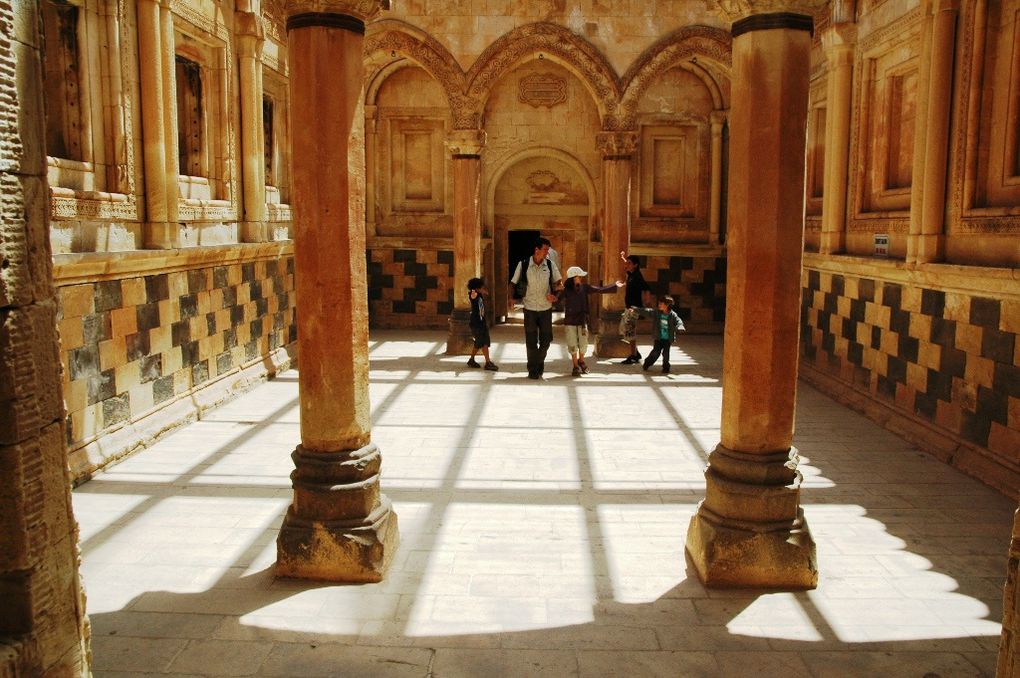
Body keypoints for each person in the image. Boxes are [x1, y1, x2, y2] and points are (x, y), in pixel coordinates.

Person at [508, 237, 561, 379]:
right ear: (536, 250)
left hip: (546, 309)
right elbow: (513, 283)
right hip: (530, 308)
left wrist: (555, 295)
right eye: (545, 250)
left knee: (546, 340)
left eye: (548, 250)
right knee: (531, 341)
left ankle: (538, 362)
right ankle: (533, 369)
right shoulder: (523, 264)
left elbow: (559, 283)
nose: (547, 253)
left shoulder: (550, 265)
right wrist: (511, 298)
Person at [559, 266, 623, 376]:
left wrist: (614, 285)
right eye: (579, 276)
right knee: (572, 343)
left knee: (583, 343)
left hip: (582, 321)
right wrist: (552, 296)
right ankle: (575, 366)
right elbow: (556, 299)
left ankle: (581, 361)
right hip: (570, 321)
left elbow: (599, 289)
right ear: (574, 277)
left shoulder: (585, 287)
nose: (581, 278)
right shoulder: (566, 290)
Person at [633, 295, 685, 374]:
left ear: (667, 305)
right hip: (658, 338)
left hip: (668, 339)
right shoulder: (657, 313)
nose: (659, 305)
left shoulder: (672, 315)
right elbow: (647, 311)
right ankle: (647, 363)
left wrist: (680, 326)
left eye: (661, 304)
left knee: (666, 354)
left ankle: (666, 367)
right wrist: (636, 309)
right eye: (659, 303)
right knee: (656, 352)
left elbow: (678, 321)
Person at [619, 251, 651, 364]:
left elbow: (646, 287)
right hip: (629, 308)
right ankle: (636, 353)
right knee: (625, 329)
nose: (626, 265)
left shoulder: (637, 276)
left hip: (634, 308)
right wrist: (623, 258)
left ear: (635, 265)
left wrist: (647, 300)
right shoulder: (632, 274)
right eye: (626, 262)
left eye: (629, 263)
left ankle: (633, 355)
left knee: (630, 331)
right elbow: (628, 265)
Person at [466, 277, 499, 371]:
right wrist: (474, 293)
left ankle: (477, 360)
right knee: (482, 342)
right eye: (481, 287)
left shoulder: (479, 294)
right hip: (477, 323)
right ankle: (485, 362)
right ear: (476, 288)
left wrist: (483, 292)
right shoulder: (474, 294)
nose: (482, 288)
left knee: (482, 342)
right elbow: (473, 296)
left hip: (481, 322)